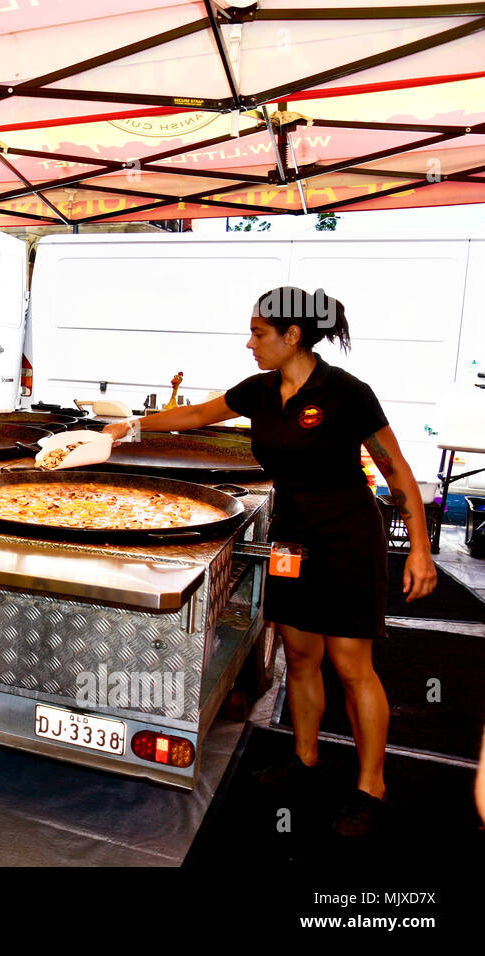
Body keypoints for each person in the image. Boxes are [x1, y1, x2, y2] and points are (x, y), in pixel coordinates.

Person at [103, 286, 436, 837]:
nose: (250, 343)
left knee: (352, 667)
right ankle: (305, 761)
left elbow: (396, 469)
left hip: (349, 537)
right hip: (291, 537)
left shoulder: (347, 393)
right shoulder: (260, 391)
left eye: (259, 333)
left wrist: (420, 550)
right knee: (299, 657)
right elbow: (196, 415)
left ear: (293, 335)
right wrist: (128, 428)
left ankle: (371, 786)